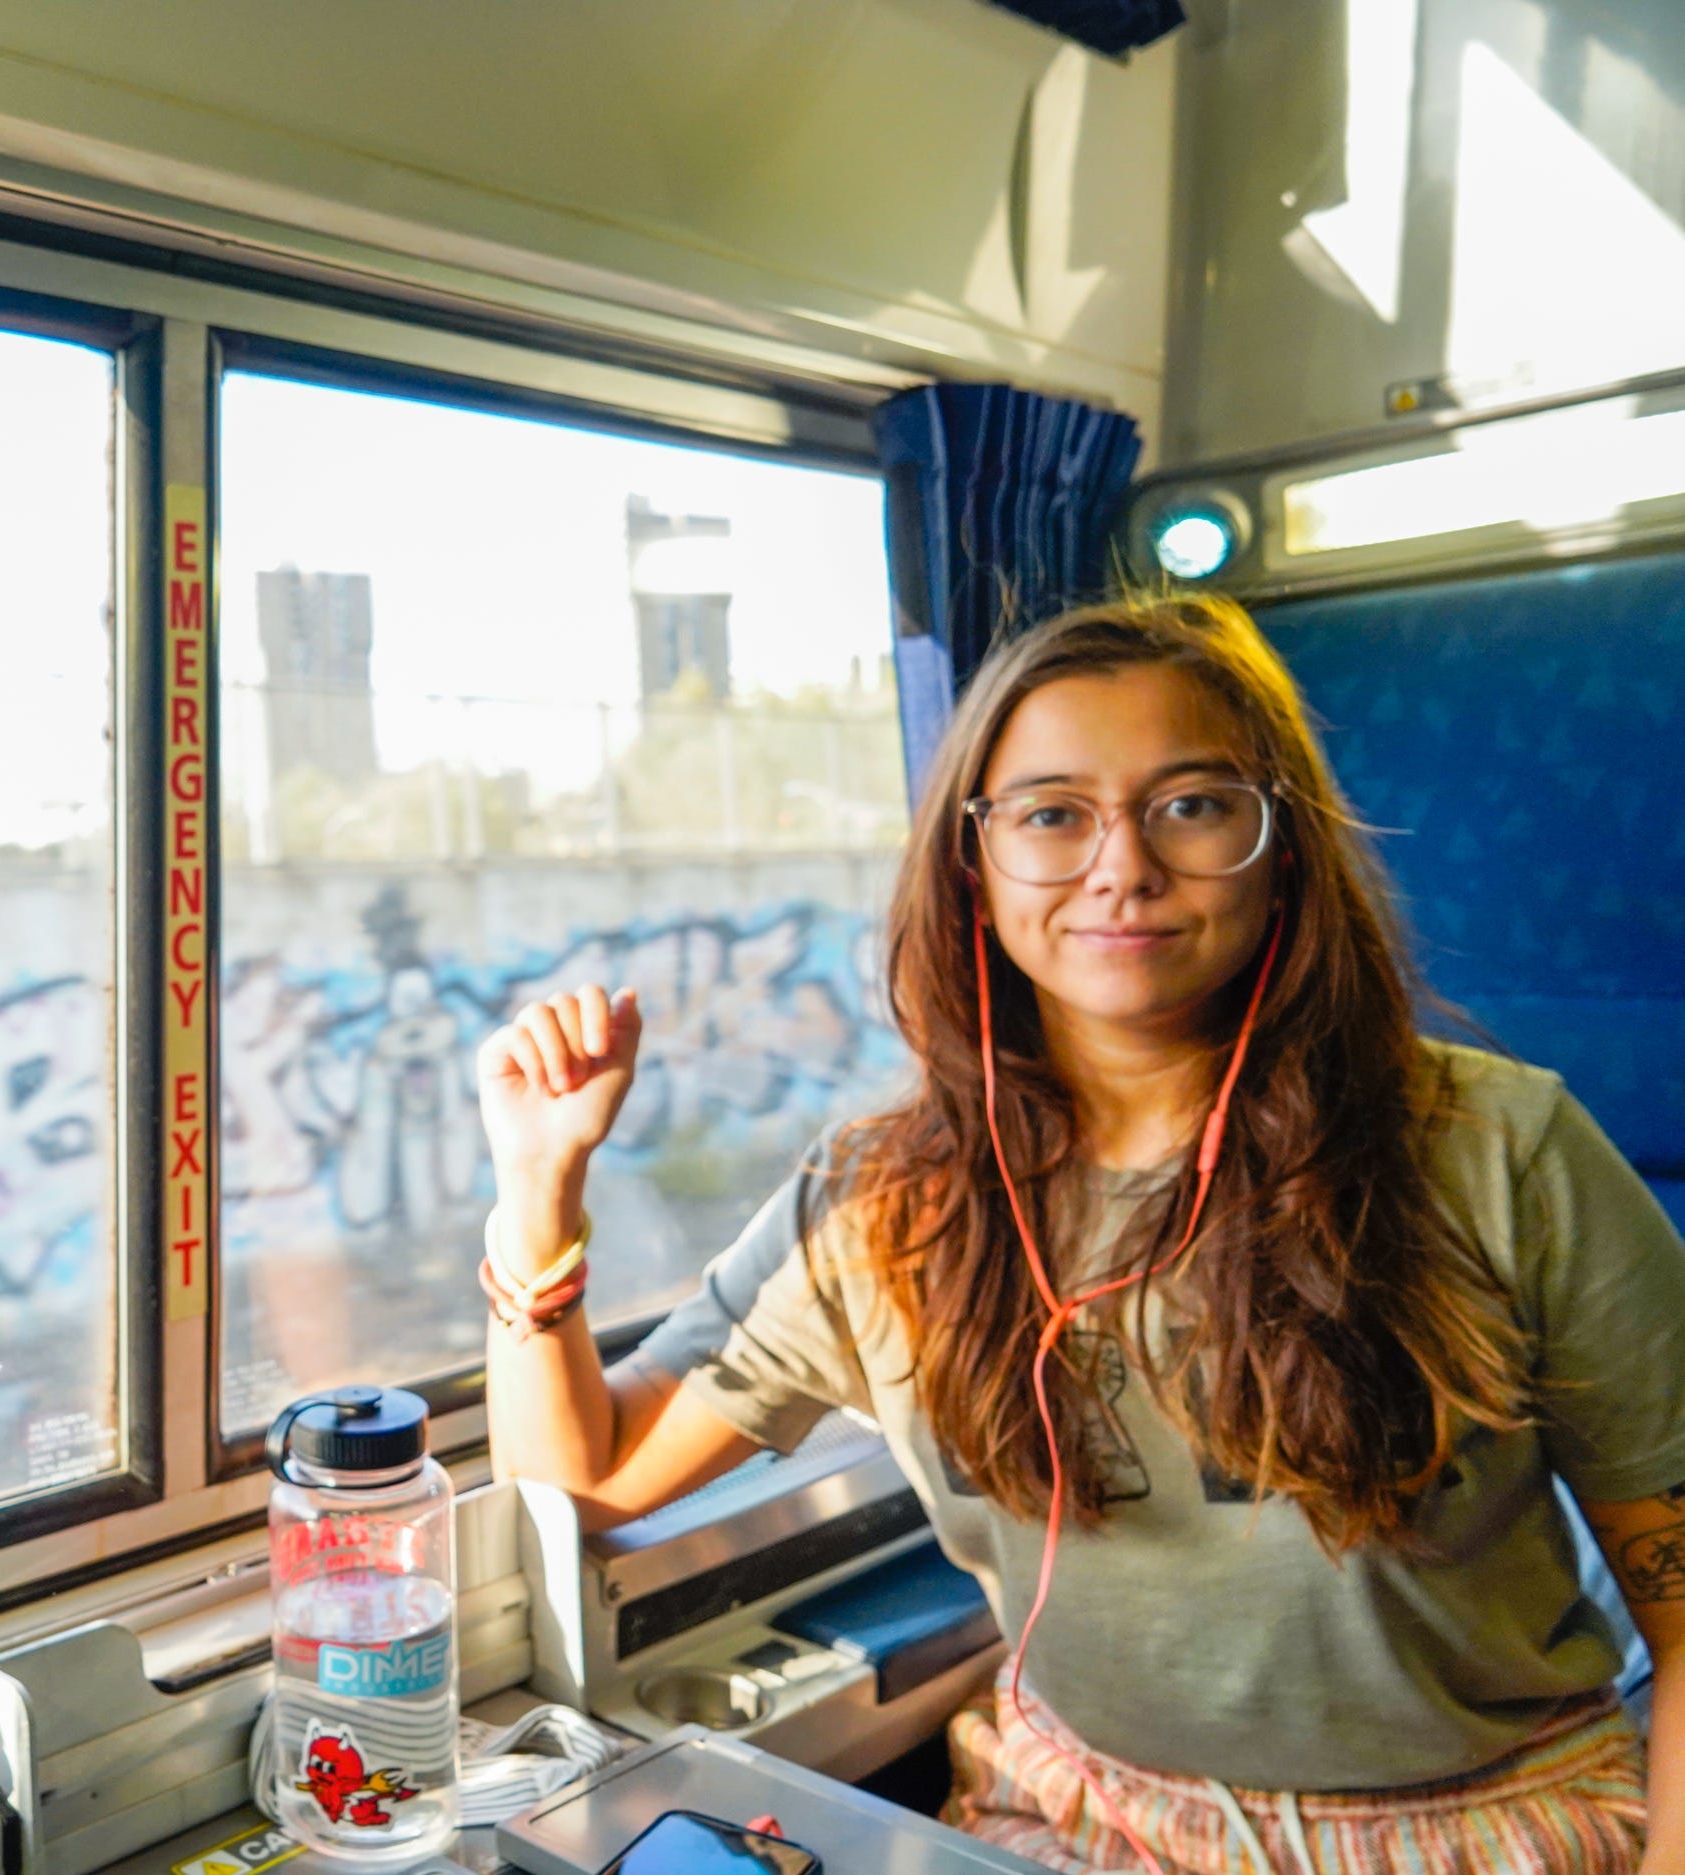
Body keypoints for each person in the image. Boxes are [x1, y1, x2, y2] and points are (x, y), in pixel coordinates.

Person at [475, 596, 1685, 1875]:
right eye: (1052, 814)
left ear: (1281, 847)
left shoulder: (1499, 1150)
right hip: (1077, 1821)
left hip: (1479, 1824)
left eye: (1190, 805)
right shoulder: (885, 1200)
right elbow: (587, 1475)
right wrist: (537, 1188)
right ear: (973, 863)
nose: (1122, 867)